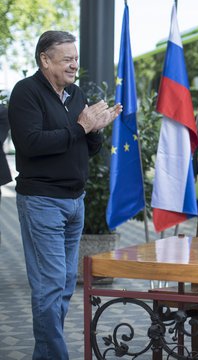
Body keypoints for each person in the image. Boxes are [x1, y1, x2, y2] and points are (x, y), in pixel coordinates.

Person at [8, 30, 121, 359]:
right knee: (51, 285)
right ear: (45, 60)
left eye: (76, 58)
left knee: (63, 284)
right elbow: (31, 144)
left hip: (75, 202)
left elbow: (86, 148)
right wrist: (81, 127)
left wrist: (95, 130)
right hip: (42, 201)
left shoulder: (75, 94)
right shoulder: (26, 92)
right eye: (67, 58)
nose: (74, 65)